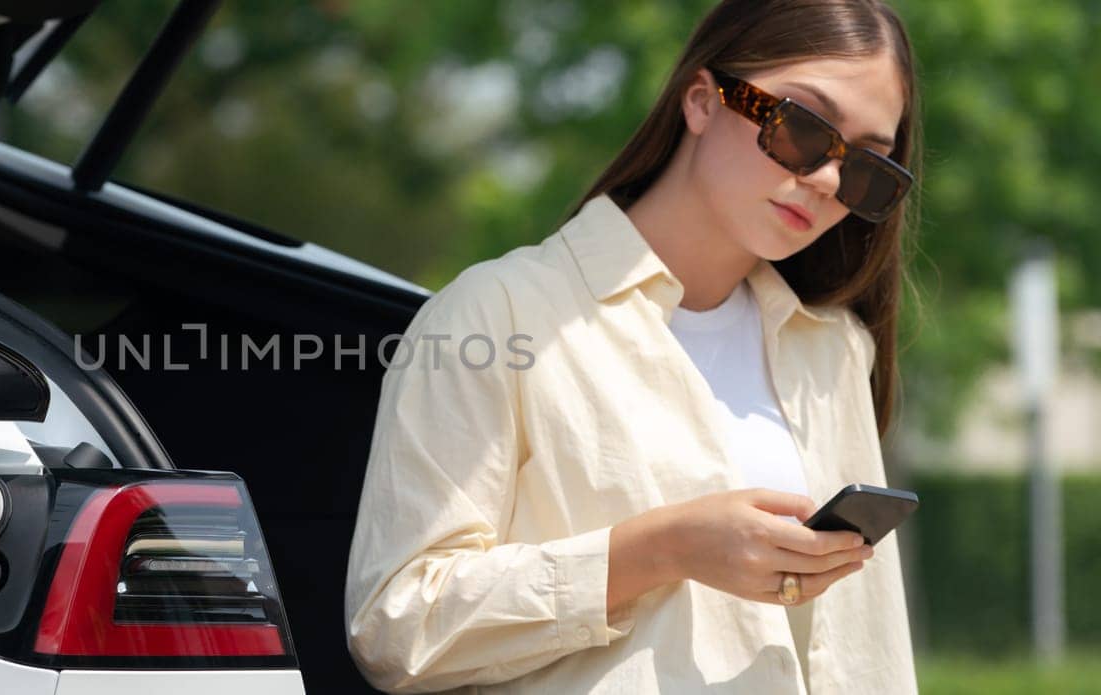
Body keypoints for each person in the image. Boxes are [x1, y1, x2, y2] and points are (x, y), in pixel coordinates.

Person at [343, 1, 921, 693]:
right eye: (801, 125)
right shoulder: (497, 314)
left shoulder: (834, 351)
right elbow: (395, 626)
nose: (827, 182)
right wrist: (662, 548)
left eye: (867, 168)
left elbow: (863, 651)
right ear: (702, 101)